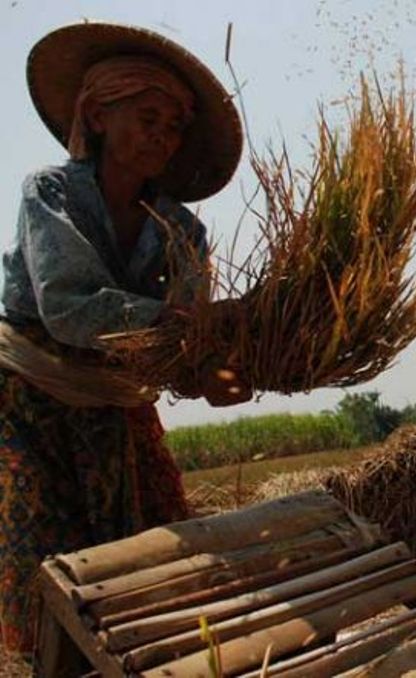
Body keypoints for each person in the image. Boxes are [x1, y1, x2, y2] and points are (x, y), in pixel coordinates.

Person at [0, 22, 249, 653]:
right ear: (98, 114)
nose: (163, 137)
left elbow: (188, 341)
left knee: (157, 558)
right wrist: (172, 325)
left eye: (173, 127)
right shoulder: (49, 193)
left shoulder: (181, 231)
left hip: (115, 401)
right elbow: (67, 307)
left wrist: (215, 372)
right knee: (51, 577)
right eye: (149, 117)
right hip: (29, 400)